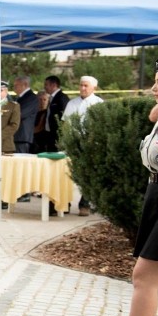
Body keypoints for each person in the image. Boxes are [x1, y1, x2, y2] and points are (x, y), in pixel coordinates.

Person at [87, 61, 158, 316]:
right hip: (157, 193)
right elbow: (152, 115)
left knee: (144, 276)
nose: (154, 88)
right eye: (156, 81)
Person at [63, 75, 104, 216]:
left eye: (86, 85)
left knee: (87, 176)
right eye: (81, 85)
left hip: (90, 145)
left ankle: (84, 205)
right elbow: (65, 124)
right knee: (67, 174)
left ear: (94, 88)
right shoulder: (72, 103)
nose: (82, 88)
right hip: (72, 144)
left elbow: (100, 127)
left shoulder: (99, 104)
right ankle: (64, 204)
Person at [38, 75, 68, 152]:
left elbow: (64, 117)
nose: (45, 87)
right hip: (50, 136)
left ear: (54, 85)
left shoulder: (61, 98)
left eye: (46, 85)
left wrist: (60, 136)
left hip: (57, 137)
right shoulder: (52, 98)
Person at [12, 75, 37, 154]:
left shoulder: (31, 98)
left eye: (16, 85)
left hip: (22, 137)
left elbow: (20, 114)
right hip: (17, 137)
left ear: (25, 85)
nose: (14, 88)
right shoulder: (20, 97)